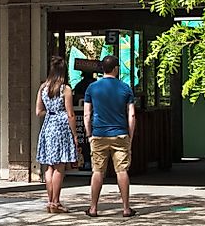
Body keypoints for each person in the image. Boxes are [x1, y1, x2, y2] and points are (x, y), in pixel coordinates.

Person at [82, 54, 137, 217]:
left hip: (99, 134)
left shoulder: (92, 88)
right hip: (120, 134)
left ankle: (93, 207)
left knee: (98, 171)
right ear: (116, 69)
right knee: (122, 171)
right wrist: (130, 136)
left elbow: (86, 114)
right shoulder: (125, 88)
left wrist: (89, 134)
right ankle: (126, 208)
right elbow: (132, 115)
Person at [35, 55, 78, 213]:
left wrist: (50, 112)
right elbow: (70, 114)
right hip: (61, 127)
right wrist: (74, 135)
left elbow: (38, 111)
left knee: (49, 167)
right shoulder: (65, 89)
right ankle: (56, 202)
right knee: (60, 166)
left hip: (48, 126)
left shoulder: (43, 88)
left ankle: (49, 201)